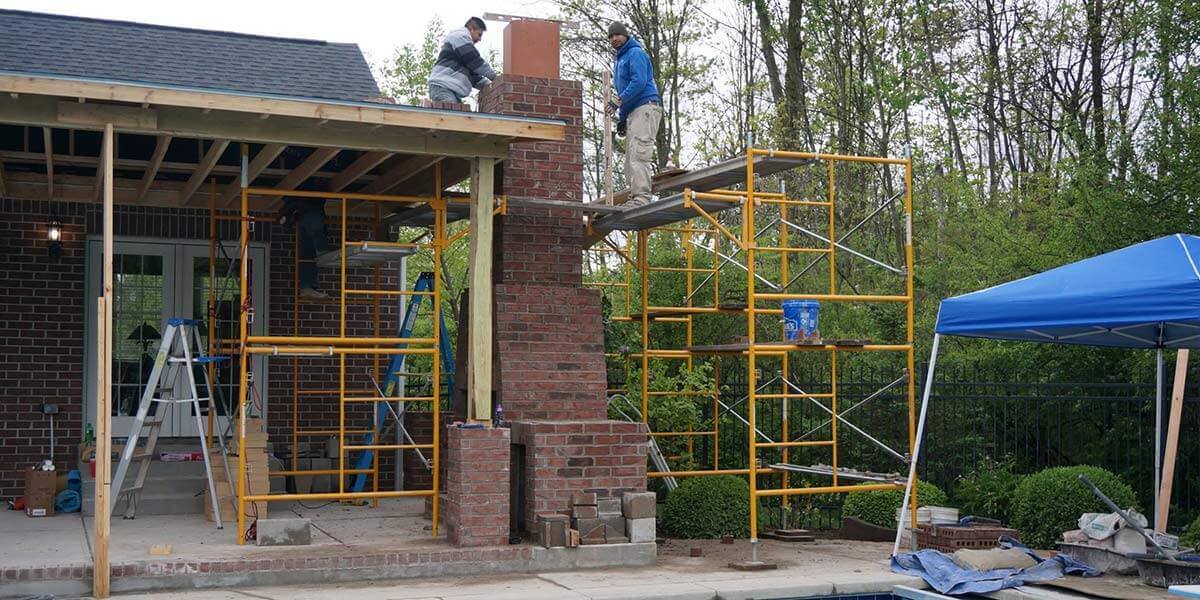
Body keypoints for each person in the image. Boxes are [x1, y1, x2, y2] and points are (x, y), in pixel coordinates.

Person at [607, 21, 662, 207]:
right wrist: (622, 119)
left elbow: (638, 82)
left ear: (625, 35)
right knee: (631, 158)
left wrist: (618, 101)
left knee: (639, 154)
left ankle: (642, 198)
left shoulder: (635, 53)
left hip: (645, 107)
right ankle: (635, 196)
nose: (614, 38)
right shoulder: (620, 59)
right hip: (633, 111)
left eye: (617, 35)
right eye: (611, 36)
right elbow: (626, 87)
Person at [428, 17, 497, 103]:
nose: (480, 39)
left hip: (450, 89)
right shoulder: (460, 36)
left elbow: (473, 75)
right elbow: (475, 61)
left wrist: (489, 85)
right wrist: (495, 78)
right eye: (479, 34)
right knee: (451, 114)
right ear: (471, 29)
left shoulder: (463, 51)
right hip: (442, 86)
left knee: (458, 114)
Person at [279, 197, 328, 300]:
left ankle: (307, 287)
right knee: (311, 246)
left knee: (308, 249)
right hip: (307, 205)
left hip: (303, 206)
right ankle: (307, 286)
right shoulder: (312, 212)